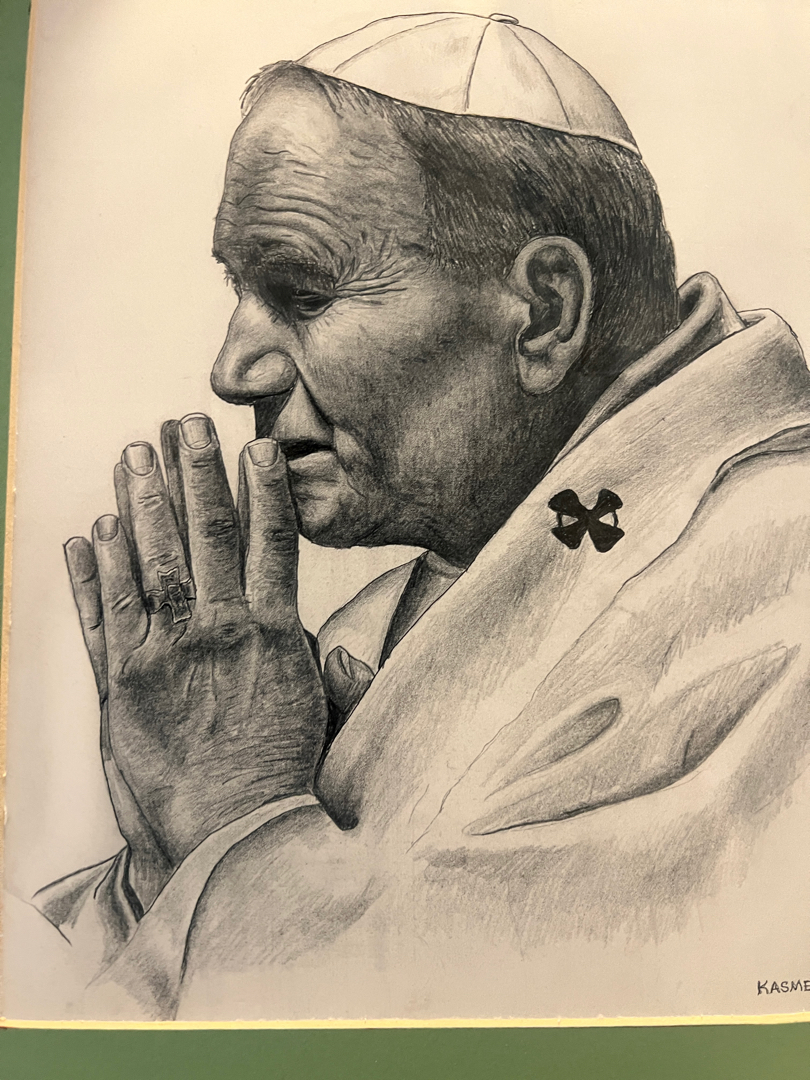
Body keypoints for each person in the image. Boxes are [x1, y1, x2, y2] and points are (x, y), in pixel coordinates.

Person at [34, 12, 810, 1021]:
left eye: (301, 292)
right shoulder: (385, 617)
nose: (233, 371)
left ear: (544, 313)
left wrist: (232, 814)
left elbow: (491, 1012)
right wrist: (159, 850)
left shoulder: (778, 595)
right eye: (240, 289)